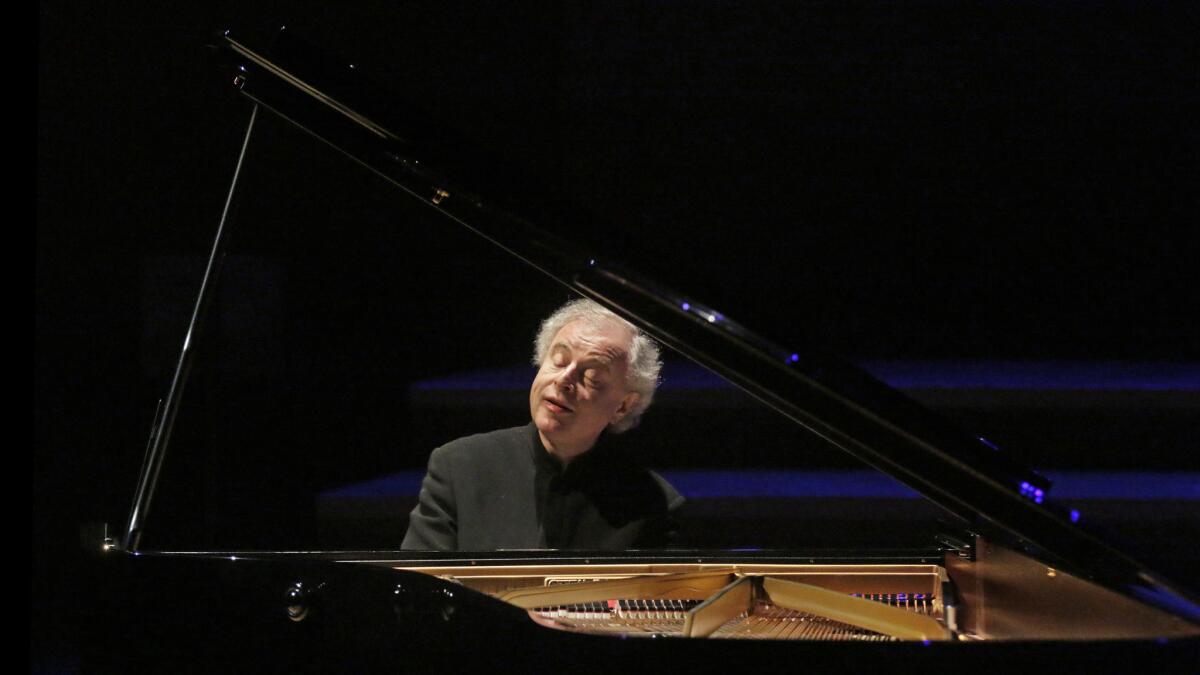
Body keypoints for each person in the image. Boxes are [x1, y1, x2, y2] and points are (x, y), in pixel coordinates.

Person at [401, 298, 683, 551]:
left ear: (623, 406)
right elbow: (419, 592)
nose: (563, 380)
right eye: (558, 361)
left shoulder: (653, 504)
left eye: (593, 377)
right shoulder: (458, 467)